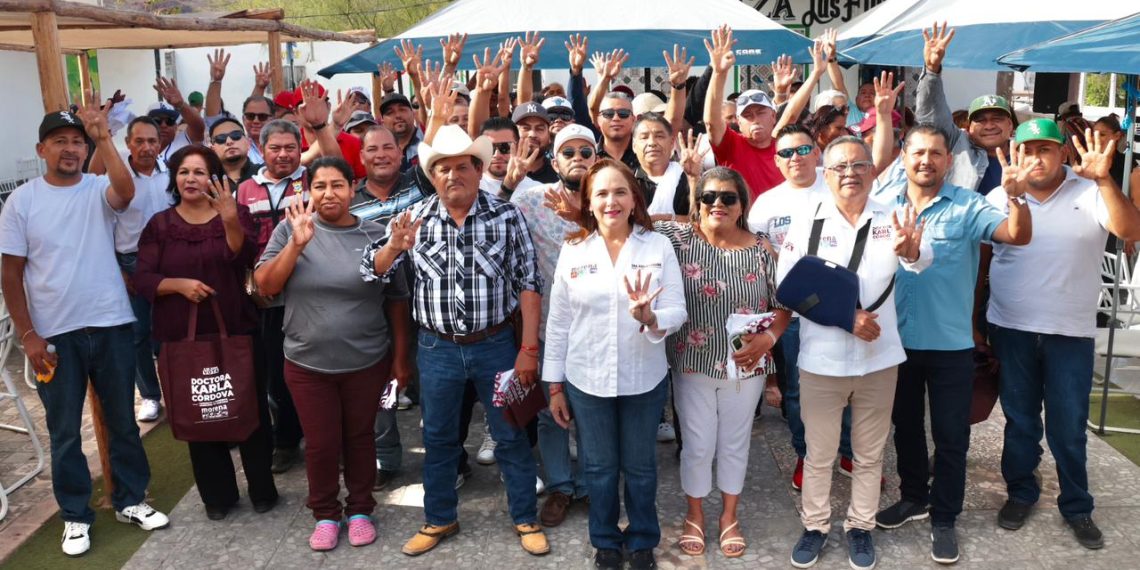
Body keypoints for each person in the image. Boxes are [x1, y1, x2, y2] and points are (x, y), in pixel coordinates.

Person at [362, 125, 549, 557]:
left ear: (478, 169)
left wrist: (529, 349)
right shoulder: (413, 220)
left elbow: (529, 284)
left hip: (496, 345)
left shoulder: (507, 216)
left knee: (511, 434)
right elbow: (372, 272)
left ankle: (525, 516)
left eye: (461, 167)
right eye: (442, 169)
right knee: (441, 439)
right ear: (432, 175)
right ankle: (439, 518)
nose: (452, 176)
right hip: (437, 348)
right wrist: (393, 248)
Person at [0, 108, 169, 557]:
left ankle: (131, 499)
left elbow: (127, 191)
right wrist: (28, 335)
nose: (70, 149)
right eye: (59, 141)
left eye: (77, 141)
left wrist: (104, 136)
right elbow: (11, 273)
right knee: (65, 432)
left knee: (122, 422)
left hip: (110, 323)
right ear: (41, 150)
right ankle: (75, 516)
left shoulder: (98, 188)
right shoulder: (22, 201)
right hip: (55, 336)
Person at [873, 124, 1031, 565]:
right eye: (918, 152)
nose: (926, 160)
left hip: (950, 345)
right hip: (895, 344)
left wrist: (1016, 197)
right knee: (904, 428)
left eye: (936, 153)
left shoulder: (968, 206)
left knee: (950, 434)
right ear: (904, 156)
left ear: (948, 160)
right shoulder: (880, 207)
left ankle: (944, 515)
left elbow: (1016, 236)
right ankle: (912, 498)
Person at [982, 119, 1140, 550]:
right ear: (1014, 153)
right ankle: (1020, 493)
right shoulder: (999, 196)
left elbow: (1130, 230)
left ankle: (1077, 505)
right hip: (1011, 328)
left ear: (1063, 154)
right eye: (1027, 149)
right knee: (1019, 422)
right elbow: (980, 259)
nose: (1035, 157)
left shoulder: (1090, 192)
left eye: (1046, 149)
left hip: (1070, 333)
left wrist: (1105, 178)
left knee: (1068, 426)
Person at [777, 137, 930, 570]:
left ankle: (860, 526)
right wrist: (847, 318)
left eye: (859, 164)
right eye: (840, 166)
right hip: (821, 361)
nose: (850, 173)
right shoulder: (807, 221)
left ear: (872, 170)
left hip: (880, 358)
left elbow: (922, 258)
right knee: (819, 452)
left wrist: (913, 250)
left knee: (869, 451)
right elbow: (788, 287)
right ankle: (816, 526)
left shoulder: (894, 214)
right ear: (825, 174)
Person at [255, 157, 412, 551]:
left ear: (351, 187)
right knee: (322, 443)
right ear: (308, 190)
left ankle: (360, 509)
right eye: (320, 185)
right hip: (307, 363)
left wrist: (399, 358)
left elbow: (396, 301)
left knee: (360, 437)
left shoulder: (377, 234)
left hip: (367, 360)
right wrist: (296, 244)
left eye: (337, 185)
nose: (329, 194)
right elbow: (266, 287)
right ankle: (325, 513)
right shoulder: (290, 230)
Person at [544, 159, 687, 570]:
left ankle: (642, 541)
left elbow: (677, 308)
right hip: (586, 379)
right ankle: (605, 542)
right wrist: (554, 386)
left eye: (620, 191)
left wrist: (651, 318)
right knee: (599, 468)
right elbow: (559, 321)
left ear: (634, 198)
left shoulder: (656, 245)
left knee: (641, 468)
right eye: (602, 193)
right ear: (588, 201)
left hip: (644, 378)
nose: (611, 201)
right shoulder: (574, 249)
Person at [133, 146, 277, 522]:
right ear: (174, 178)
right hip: (182, 337)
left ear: (215, 179)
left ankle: (263, 488)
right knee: (200, 412)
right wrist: (177, 284)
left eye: (200, 172)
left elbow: (244, 259)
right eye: (184, 172)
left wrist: (230, 219)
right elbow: (142, 278)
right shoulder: (160, 225)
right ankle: (217, 495)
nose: (191, 179)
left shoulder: (235, 213)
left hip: (236, 328)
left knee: (250, 408)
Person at [657, 166, 790, 559]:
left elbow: (783, 305)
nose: (718, 204)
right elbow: (640, 218)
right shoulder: (678, 239)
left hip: (745, 363)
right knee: (697, 445)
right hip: (692, 360)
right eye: (708, 197)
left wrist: (768, 339)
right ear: (696, 204)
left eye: (728, 197)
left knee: (734, 442)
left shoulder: (762, 248)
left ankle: (729, 516)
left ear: (742, 204)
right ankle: (694, 514)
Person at [748, 124, 866, 490]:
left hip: (845, 310)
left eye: (802, 150)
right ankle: (806, 454)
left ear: (818, 154)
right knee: (798, 391)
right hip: (795, 314)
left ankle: (849, 452)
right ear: (777, 161)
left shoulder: (837, 188)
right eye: (785, 153)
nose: (794, 158)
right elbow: (760, 252)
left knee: (853, 388)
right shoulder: (766, 203)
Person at [512, 124, 598, 526]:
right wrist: (505, 180)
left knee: (592, 413)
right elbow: (492, 213)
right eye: (569, 153)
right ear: (554, 160)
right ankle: (561, 486)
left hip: (600, 330)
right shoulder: (531, 200)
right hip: (550, 329)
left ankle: (593, 485)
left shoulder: (609, 200)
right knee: (551, 413)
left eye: (586, 152)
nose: (578, 158)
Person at [351, 124, 434, 490]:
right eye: (372, 149)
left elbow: (436, 148)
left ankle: (444, 458)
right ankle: (387, 458)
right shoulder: (351, 200)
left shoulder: (420, 183)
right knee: (381, 386)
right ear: (361, 156)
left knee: (430, 387)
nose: (381, 154)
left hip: (430, 304)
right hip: (375, 308)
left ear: (402, 153)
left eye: (388, 147)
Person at [113, 116, 173, 422]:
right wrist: (120, 271)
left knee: (169, 328)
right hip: (132, 261)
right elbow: (106, 226)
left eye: (152, 141)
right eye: (139, 141)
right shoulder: (117, 178)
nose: (147, 147)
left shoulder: (172, 174)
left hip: (170, 259)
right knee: (138, 333)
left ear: (160, 143)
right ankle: (150, 396)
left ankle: (175, 389)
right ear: (128, 144)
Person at [703, 26, 786, 199]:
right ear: (739, 123)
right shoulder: (732, 144)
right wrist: (719, 73)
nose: (755, 119)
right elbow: (711, 122)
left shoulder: (785, 147)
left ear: (773, 116)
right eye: (747, 116)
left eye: (761, 112)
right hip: (741, 223)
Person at [204, 49, 274, 165]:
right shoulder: (235, 147)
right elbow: (213, 119)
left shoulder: (279, 147)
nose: (256, 121)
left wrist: (259, 88)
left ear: (272, 119)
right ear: (243, 119)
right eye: (250, 116)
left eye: (262, 117)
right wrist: (216, 81)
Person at [631, 114, 691, 217]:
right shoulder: (627, 180)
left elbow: (699, 222)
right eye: (644, 137)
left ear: (672, 142)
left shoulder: (686, 177)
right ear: (634, 146)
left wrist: (693, 179)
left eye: (659, 136)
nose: (652, 143)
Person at [149, 76, 206, 165]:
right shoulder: (137, 151)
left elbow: (198, 127)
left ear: (176, 126)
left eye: (169, 121)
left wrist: (181, 105)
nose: (163, 125)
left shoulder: (184, 142)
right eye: (157, 121)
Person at [208, 118, 260, 187]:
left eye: (236, 135)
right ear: (212, 149)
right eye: (221, 138)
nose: (229, 141)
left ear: (248, 143)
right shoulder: (208, 181)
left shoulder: (265, 173)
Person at [379, 92, 423, 172]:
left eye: (402, 110)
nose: (397, 115)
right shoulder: (381, 152)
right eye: (390, 113)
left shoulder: (427, 137)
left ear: (413, 113)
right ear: (383, 122)